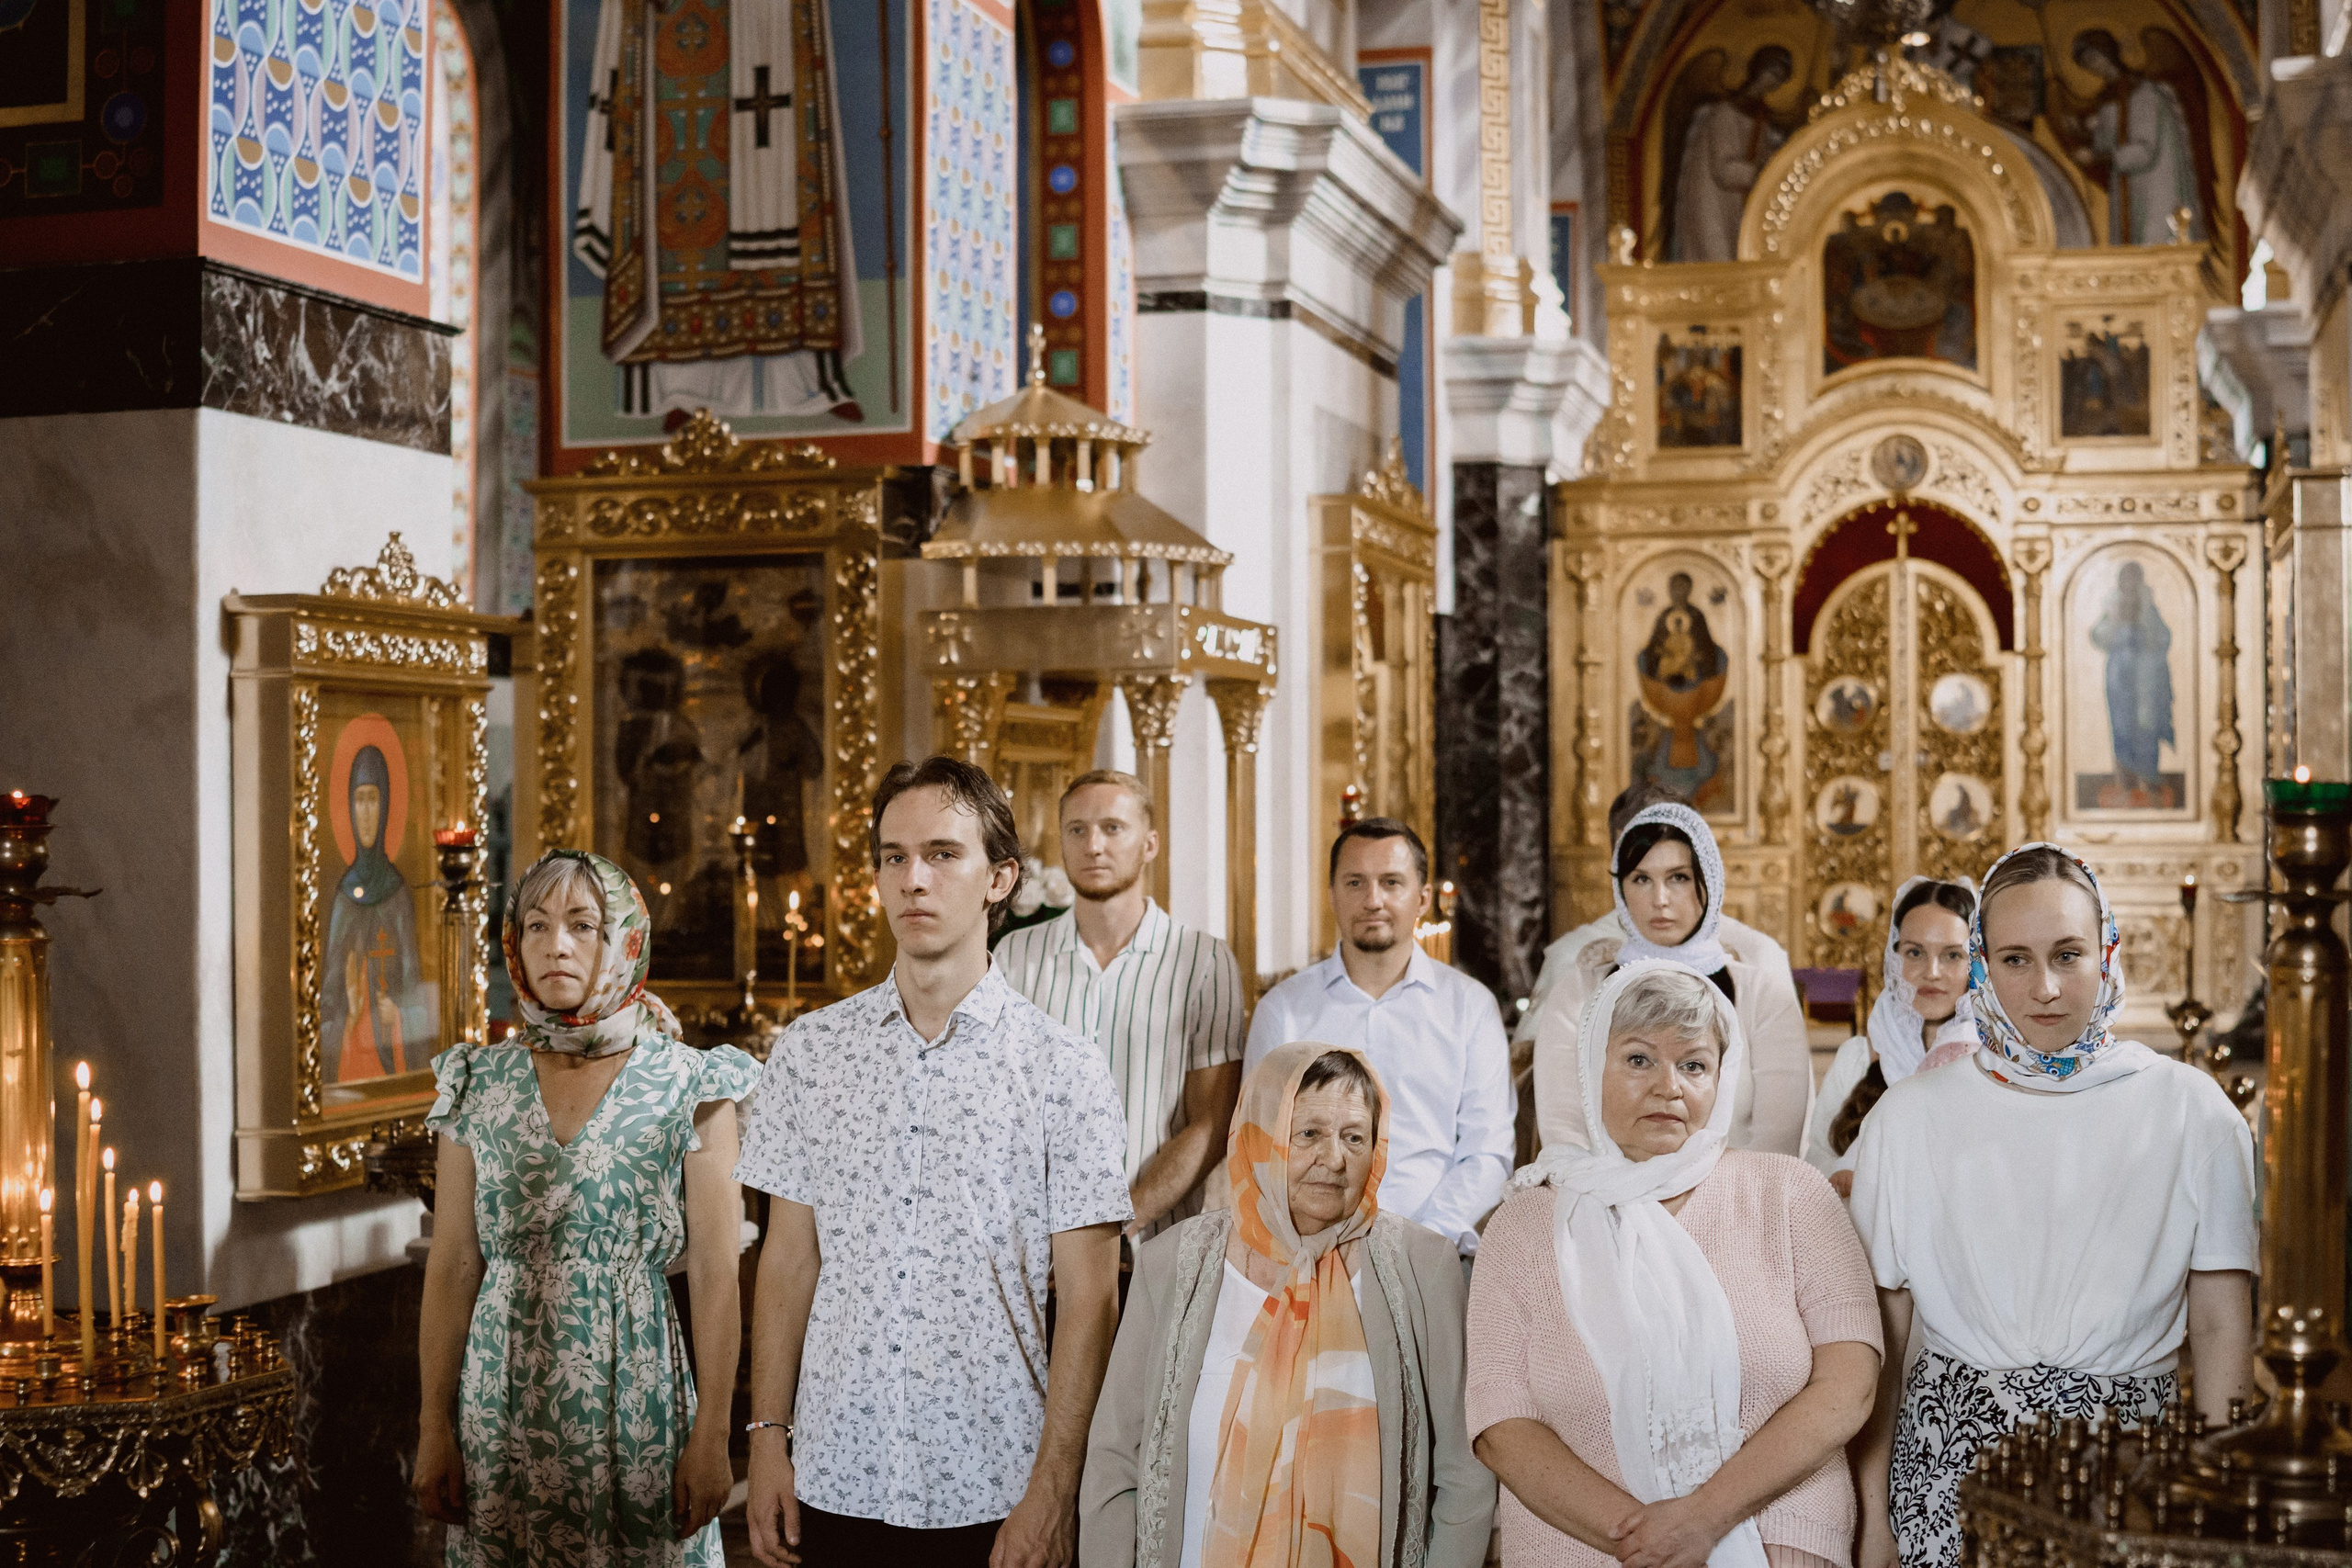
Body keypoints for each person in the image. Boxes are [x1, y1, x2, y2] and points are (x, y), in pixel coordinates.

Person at [736, 755, 1133, 1568]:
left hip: (996, 1485)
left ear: (1000, 878)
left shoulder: (1063, 1068)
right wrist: (768, 1440)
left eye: (944, 853)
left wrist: (1054, 1489)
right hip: (835, 1477)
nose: (913, 877)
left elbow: (1091, 1299)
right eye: (893, 855)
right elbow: (787, 1261)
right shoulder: (813, 1053)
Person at [1851, 844, 2256, 1568]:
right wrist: (1872, 1511)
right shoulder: (1907, 1120)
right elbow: (1879, 1346)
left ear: (2108, 952)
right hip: (1946, 1479)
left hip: (2133, 1478)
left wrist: (2212, 1500)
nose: (2044, 987)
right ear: (1981, 962)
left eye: (2068, 954)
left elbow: (2222, 1324)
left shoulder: (2192, 1112)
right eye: (2014, 959)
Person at [1469, 962, 1883, 1568]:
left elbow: (1850, 1384)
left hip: (1779, 1538)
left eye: (1693, 1064)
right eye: (1639, 1059)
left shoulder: (1792, 1193)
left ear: (1722, 1077)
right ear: (1590, 1069)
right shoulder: (1524, 1225)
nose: (1669, 1085)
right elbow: (1501, 1426)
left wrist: (1704, 1516)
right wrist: (1645, 1538)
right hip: (1581, 1548)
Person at [414, 850, 760, 1567]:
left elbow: (717, 1276)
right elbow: (451, 1265)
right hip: (501, 1397)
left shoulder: (690, 1082)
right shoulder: (476, 1081)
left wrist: (713, 1435)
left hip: (637, 1398)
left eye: (582, 924)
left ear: (625, 939)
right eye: (536, 925)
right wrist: (432, 1424)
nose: (557, 944)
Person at [1078, 1043, 1496, 1568]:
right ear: (1260, 1136)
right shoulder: (1173, 1265)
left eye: (1354, 1137)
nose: (1335, 1159)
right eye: (1309, 1135)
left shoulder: (1423, 1267)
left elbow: (1465, 1476)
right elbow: (1115, 1460)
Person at [1244, 818, 1515, 1256]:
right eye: (1355, 883)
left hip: (1435, 1253)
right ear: (1332, 894)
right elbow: (1261, 1144)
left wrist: (1422, 1242)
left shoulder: (1469, 1007)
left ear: (1423, 898)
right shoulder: (1285, 1010)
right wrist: (1319, 1242)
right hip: (1309, 1258)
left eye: (1391, 882)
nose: (1373, 900)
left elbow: (1487, 1153)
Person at [996, 770, 1246, 1240]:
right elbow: (996, 1104)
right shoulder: (1014, 956)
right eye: (1077, 829)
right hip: (1030, 1245)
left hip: (1157, 1244)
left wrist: (1118, 1224)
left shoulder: (1203, 961)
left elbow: (1212, 1123)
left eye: (1113, 828)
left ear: (1149, 844)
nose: (1093, 846)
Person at [1529, 803, 1812, 1156]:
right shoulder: (1580, 989)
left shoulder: (1762, 993)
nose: (1659, 900)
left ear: (1708, 881)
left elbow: (1777, 1143)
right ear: (1620, 889)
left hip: (1735, 1200)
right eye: (1641, 879)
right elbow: (1564, 1134)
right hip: (1606, 1198)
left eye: (1678, 878)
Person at [1515, 784, 1791, 1050]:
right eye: (1640, 864)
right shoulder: (1574, 959)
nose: (1660, 898)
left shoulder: (1760, 957)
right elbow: (1534, 1080)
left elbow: (1790, 1089)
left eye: (1677, 875)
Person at [1803, 879, 1979, 1195]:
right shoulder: (1857, 1057)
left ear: (1977, 964)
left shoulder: (1991, 1058)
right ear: (1893, 959)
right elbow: (1815, 1166)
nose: (1932, 972)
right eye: (1914, 953)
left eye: (1953, 955)